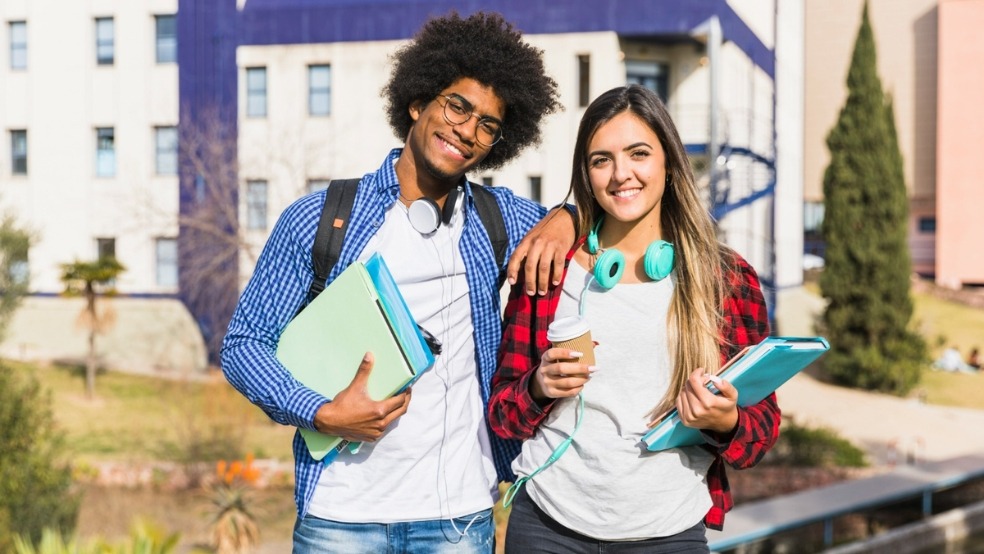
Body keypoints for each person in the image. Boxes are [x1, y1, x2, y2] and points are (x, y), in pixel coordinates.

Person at [221, 11, 573, 553]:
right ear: (418, 102)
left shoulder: (499, 219)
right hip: (339, 517)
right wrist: (321, 412)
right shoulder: (321, 218)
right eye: (458, 106)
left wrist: (567, 216)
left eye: (488, 125)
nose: (467, 131)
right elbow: (244, 347)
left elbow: (601, 222)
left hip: (458, 519)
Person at [488, 85, 781, 552]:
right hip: (547, 527)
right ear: (585, 173)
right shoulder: (550, 268)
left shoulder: (725, 278)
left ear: (668, 159)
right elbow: (503, 415)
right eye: (601, 159)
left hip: (669, 531)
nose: (621, 174)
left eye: (638, 153)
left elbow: (761, 431)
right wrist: (538, 387)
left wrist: (725, 421)